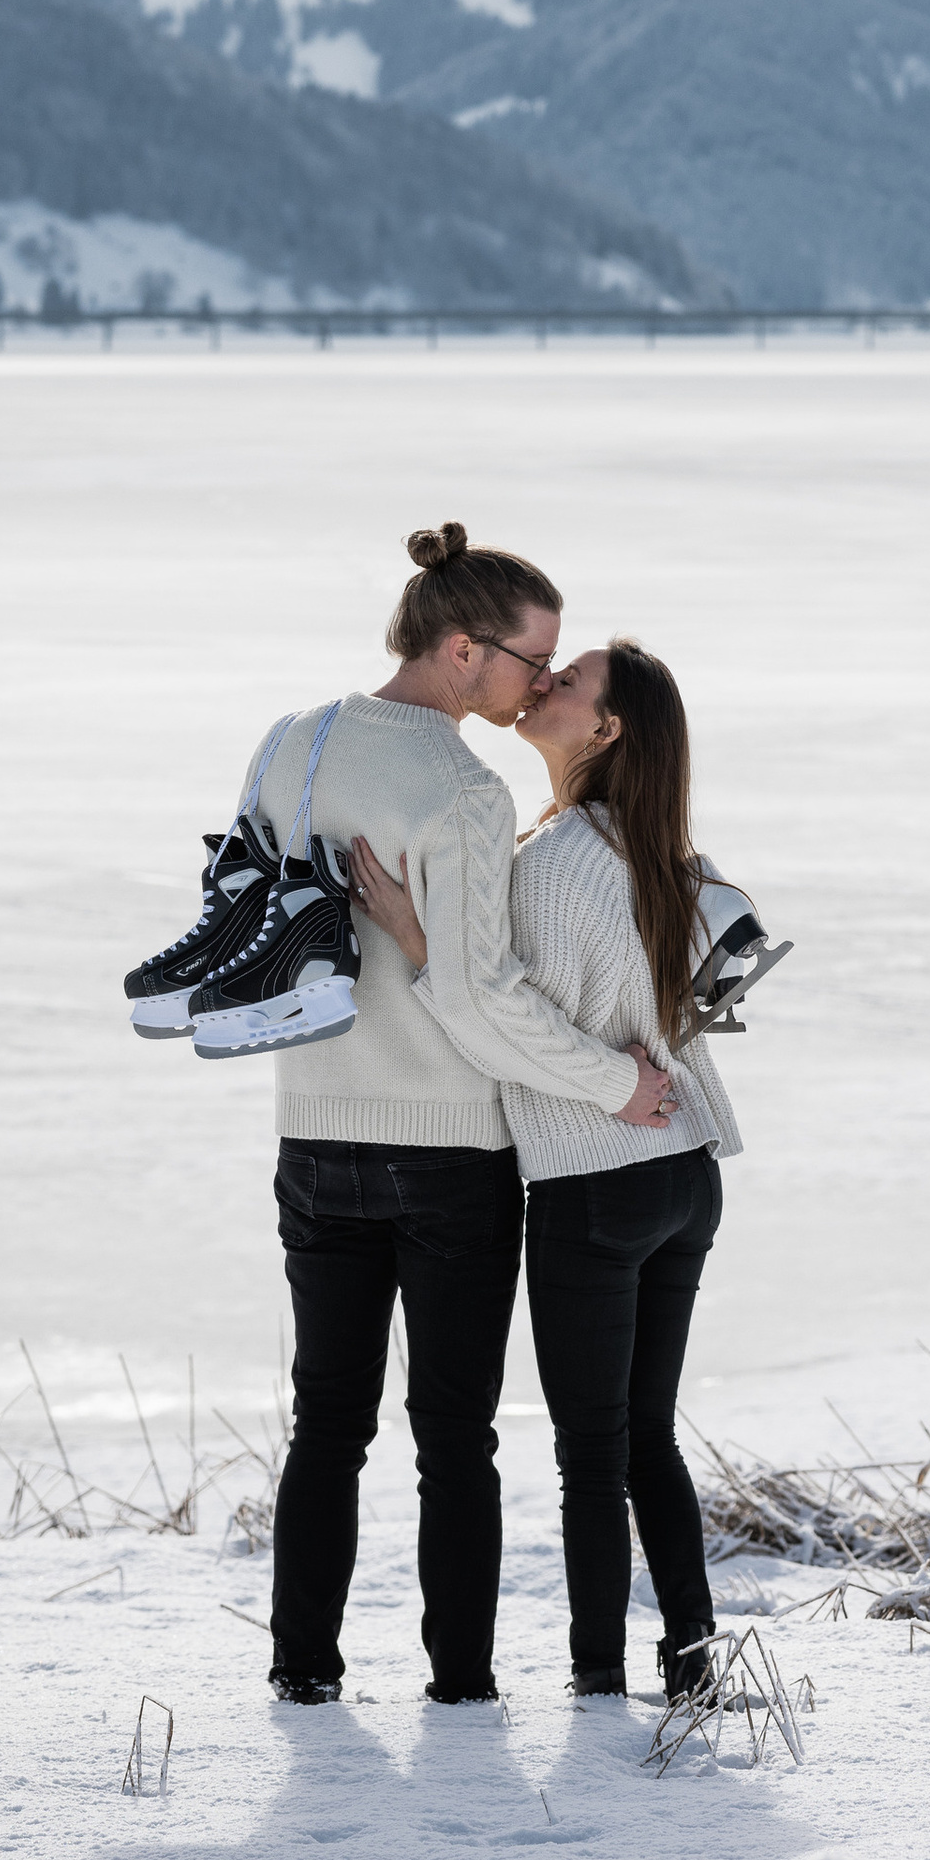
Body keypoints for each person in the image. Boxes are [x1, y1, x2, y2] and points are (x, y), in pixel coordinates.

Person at [252, 525, 673, 1710]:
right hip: (446, 1151)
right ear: (459, 650)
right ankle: (460, 1686)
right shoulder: (465, 790)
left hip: (313, 1125)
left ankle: (304, 1674)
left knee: (324, 1424)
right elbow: (485, 1007)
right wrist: (613, 1084)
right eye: (529, 663)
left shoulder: (294, 740)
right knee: (454, 1440)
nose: (540, 685)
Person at [354, 635, 740, 1704]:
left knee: (592, 1457)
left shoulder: (555, 862)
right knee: (644, 1435)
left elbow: (502, 1021)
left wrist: (418, 944)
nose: (548, 683)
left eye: (571, 684)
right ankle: (692, 1660)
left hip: (596, 1183)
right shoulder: (664, 854)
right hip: (684, 1172)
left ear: (604, 730)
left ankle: (598, 1683)